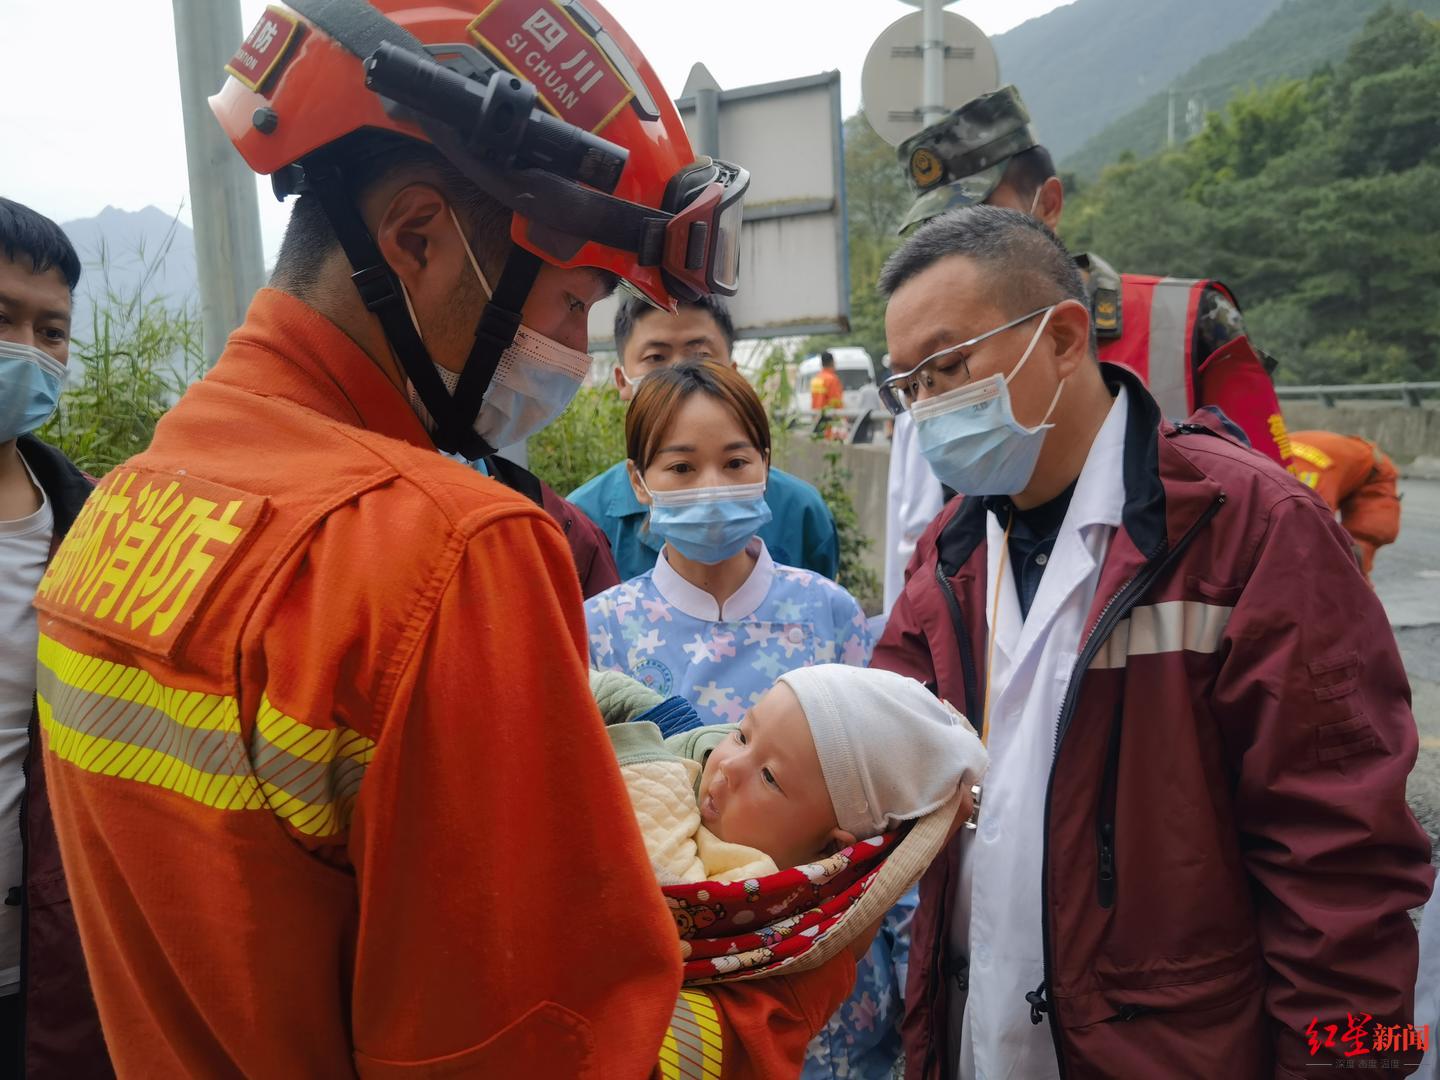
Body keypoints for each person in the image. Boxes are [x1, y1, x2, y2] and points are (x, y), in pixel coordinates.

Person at [32, 3, 856, 1076]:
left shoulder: (117, 510)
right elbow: (544, 1049)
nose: (573, 350)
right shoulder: (447, 551)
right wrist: (810, 956)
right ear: (417, 238)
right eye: (576, 300)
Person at [873, 206, 1432, 1078]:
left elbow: (1343, 866)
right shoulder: (950, 555)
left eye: (948, 368)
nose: (929, 410)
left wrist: (1346, 1063)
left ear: (1064, 338)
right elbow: (888, 752)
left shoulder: (1253, 532)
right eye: (908, 386)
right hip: (976, 1037)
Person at [881, 84, 1296, 616]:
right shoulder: (922, 371)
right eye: (935, 230)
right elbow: (918, 536)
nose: (955, 247)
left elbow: (1273, 515)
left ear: (1049, 204)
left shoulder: (1187, 321)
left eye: (981, 216)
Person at [585, 361, 871, 724]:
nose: (712, 488)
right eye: (682, 467)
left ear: (765, 465)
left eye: (735, 463)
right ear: (638, 482)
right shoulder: (599, 629)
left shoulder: (832, 613)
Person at [0, 200, 110, 1077]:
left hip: (44, 972)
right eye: (1, 318)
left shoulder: (95, 526)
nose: (27, 351)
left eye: (51, 330)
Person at [603, 663, 987, 883]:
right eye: (742, 736)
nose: (730, 767)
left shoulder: (759, 910)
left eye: (769, 777)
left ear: (831, 849)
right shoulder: (678, 747)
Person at [572, 293, 841, 579]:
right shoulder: (581, 522)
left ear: (734, 375)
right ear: (621, 381)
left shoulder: (801, 513)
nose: (680, 374)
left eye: (701, 355)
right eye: (656, 358)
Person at [1288, 429, 1401, 577]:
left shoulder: (1311, 496)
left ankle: (1355, 589)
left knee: (1356, 549)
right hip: (1335, 456)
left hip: (1374, 470)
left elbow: (1311, 535)